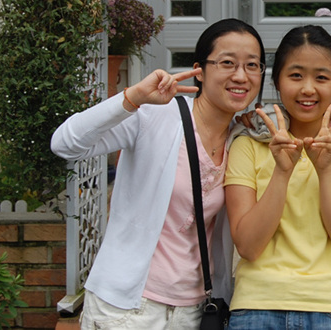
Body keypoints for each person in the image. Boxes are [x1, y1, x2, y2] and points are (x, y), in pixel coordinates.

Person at [51, 18, 266, 329]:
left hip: (193, 310)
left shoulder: (242, 138)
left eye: (252, 65)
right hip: (126, 308)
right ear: (199, 70)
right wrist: (132, 98)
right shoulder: (156, 115)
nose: (241, 76)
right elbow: (65, 144)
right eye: (227, 63)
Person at [225, 24, 331, 329]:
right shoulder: (248, 145)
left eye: (321, 77)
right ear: (277, 81)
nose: (308, 89)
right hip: (258, 306)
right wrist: (282, 172)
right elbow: (248, 246)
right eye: (296, 75)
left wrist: (325, 170)